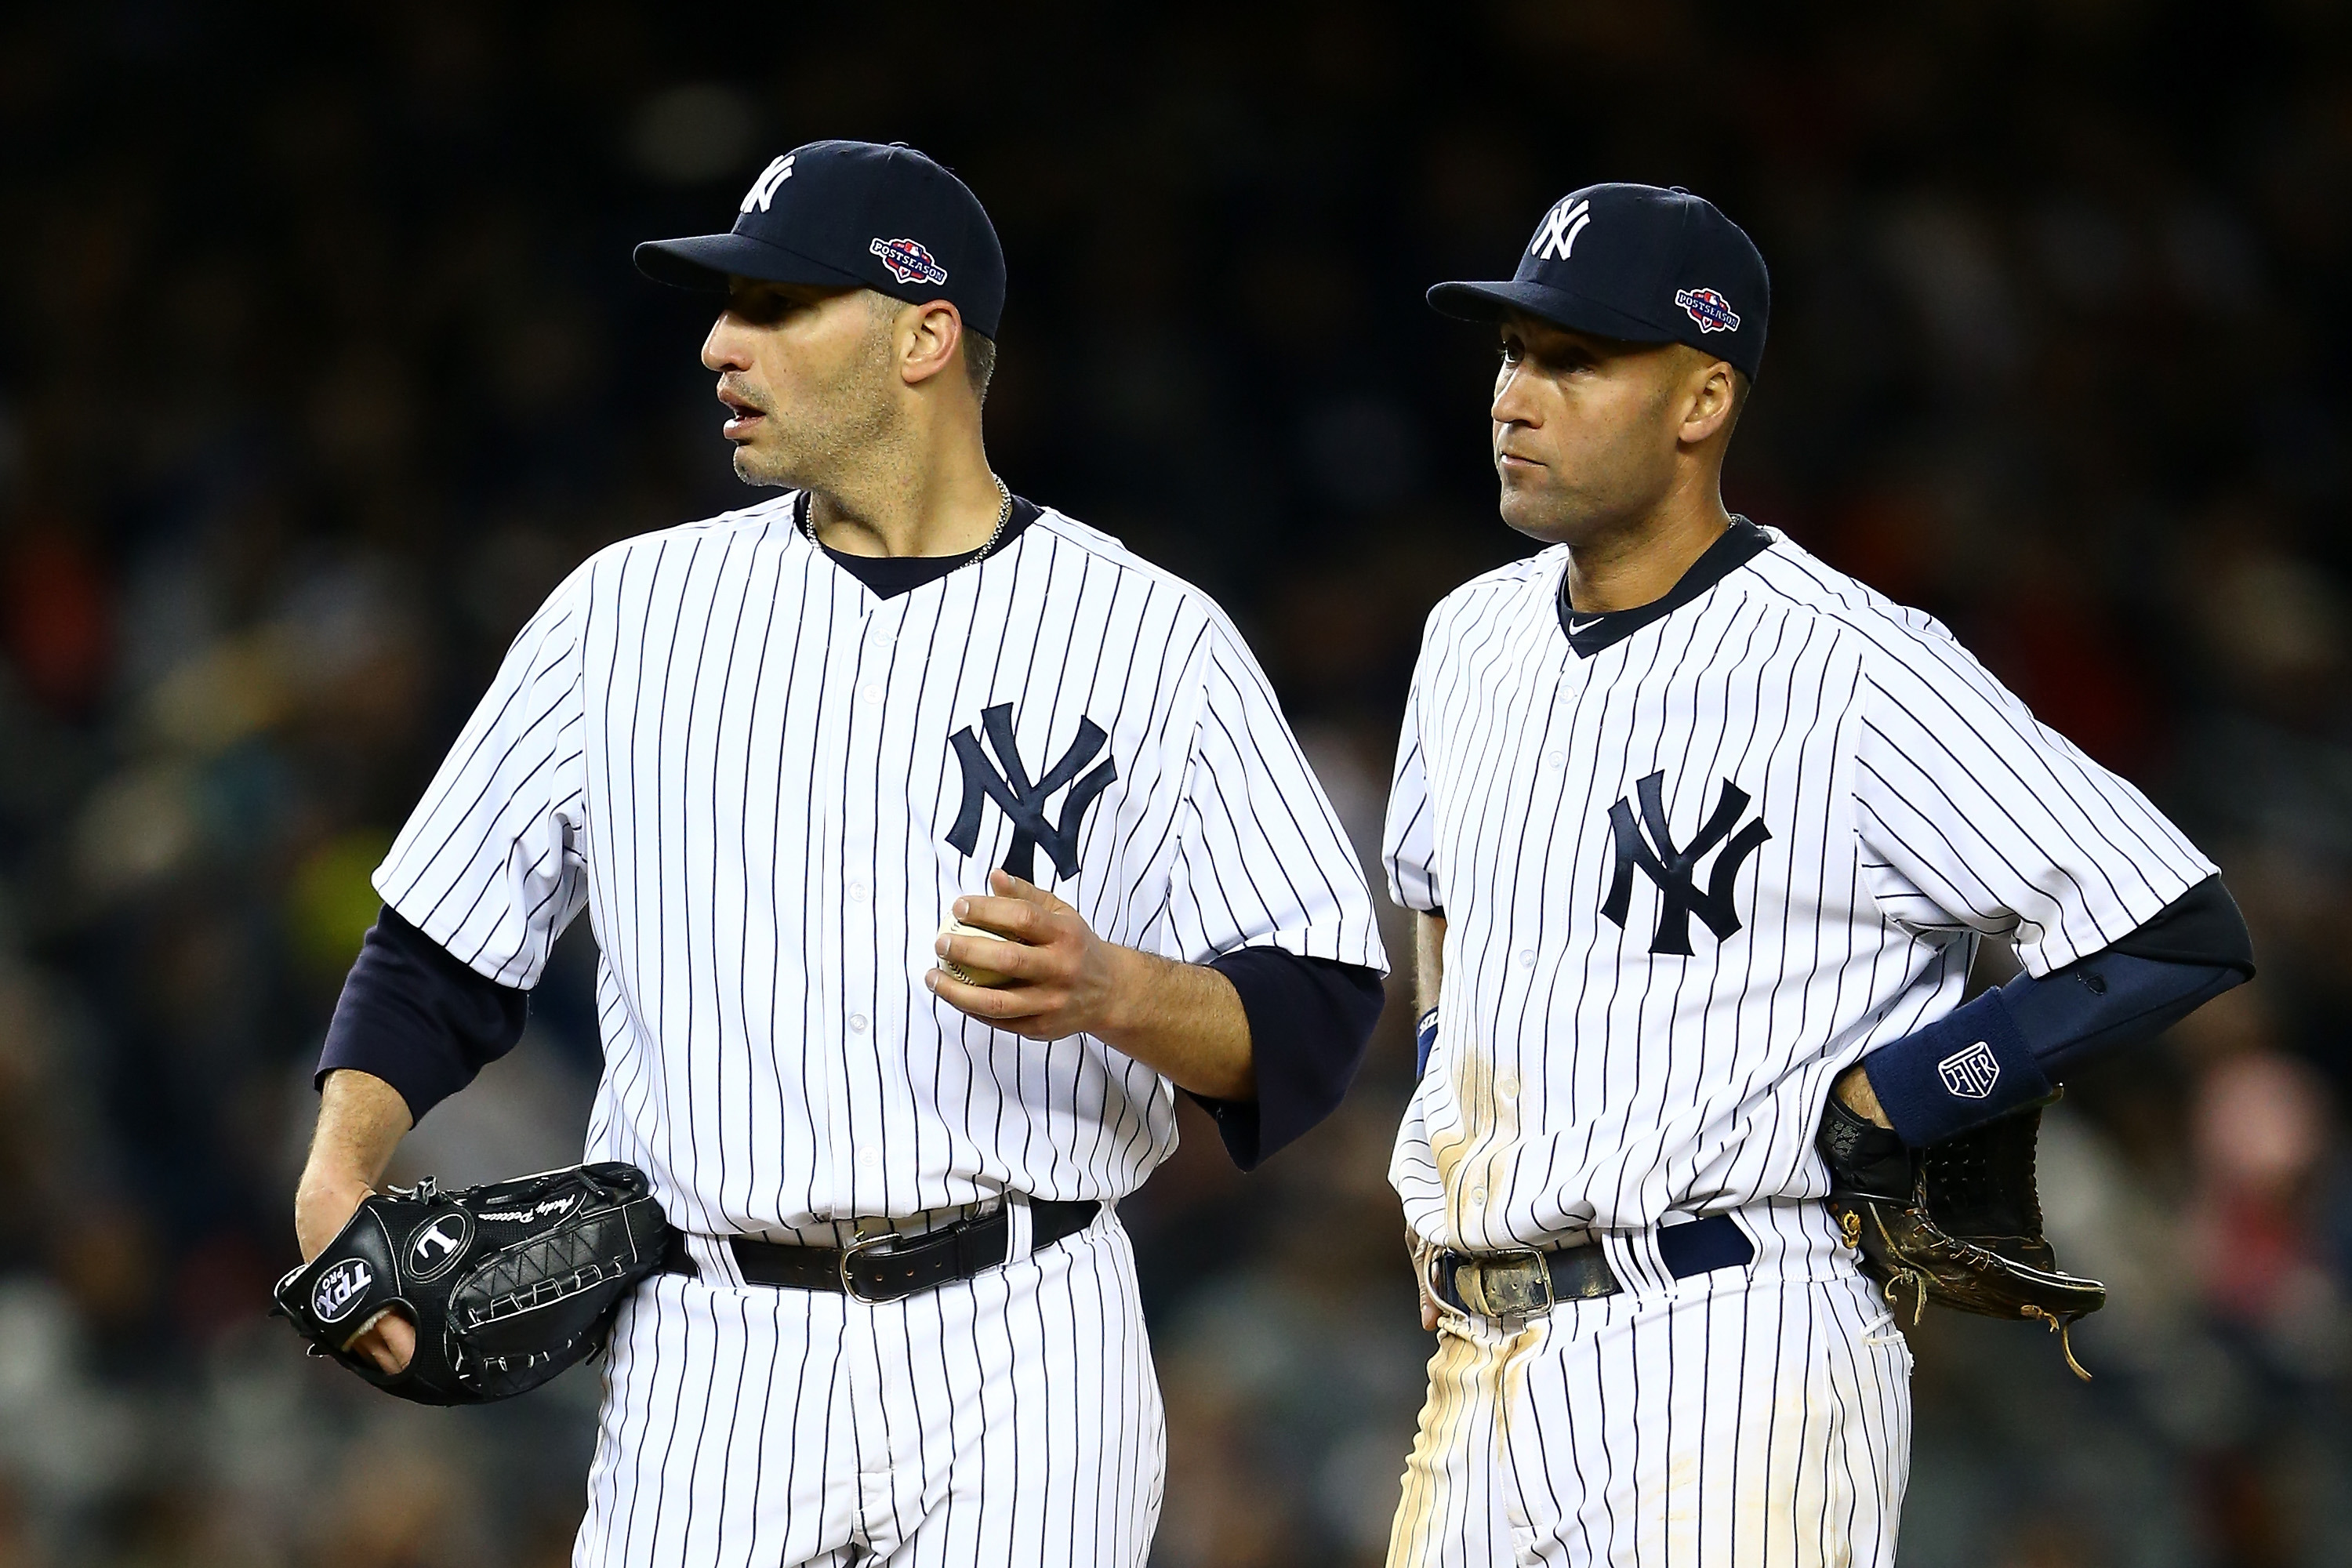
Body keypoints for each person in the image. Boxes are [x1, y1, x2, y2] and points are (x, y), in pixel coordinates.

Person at [289, 139, 1388, 1567]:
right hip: (709, 1347)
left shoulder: (1151, 636)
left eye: (776, 307)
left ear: (926, 334)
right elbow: (436, 954)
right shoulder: (623, 616)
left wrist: (1117, 990)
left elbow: (1315, 1012)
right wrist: (336, 1174)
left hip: (1030, 1333)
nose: (717, 344)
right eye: (724, 307)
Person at [1380, 181, 2252, 1565]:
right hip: (1482, 1357)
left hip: (1738, 1348)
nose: (1516, 396)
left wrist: (1908, 1088)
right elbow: (1441, 905)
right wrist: (1450, 1136)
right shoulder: (1466, 637)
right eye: (1513, 353)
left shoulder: (1850, 669)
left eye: (1576, 360)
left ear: (1702, 398)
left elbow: (2177, 927)